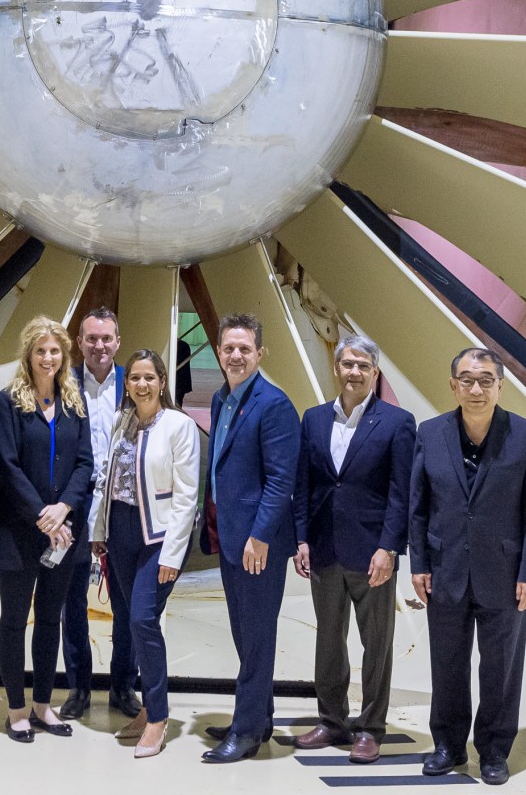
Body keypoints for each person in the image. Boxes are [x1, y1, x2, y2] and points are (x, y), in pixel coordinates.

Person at [409, 347, 526, 783]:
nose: (476, 388)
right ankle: (448, 745)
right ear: (453, 385)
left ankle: (493, 751)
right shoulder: (430, 434)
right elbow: (418, 507)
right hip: (444, 569)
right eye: (467, 379)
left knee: (501, 667)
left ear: (500, 386)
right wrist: (419, 563)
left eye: (486, 380)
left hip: (504, 576)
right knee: (447, 663)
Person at [291, 334, 417, 765]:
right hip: (324, 548)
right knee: (328, 640)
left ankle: (370, 727)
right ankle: (332, 720)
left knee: (376, 643)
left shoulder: (398, 423)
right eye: (348, 364)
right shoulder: (313, 420)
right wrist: (301, 538)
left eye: (363, 365)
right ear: (337, 368)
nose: (354, 372)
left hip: (372, 553)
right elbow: (304, 486)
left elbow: (402, 493)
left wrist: (390, 548)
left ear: (375, 372)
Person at [88, 349, 202, 759]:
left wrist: (173, 553)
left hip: (158, 538)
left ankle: (158, 717)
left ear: (162, 381)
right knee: (129, 622)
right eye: (134, 378)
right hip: (119, 533)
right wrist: (99, 532)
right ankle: (148, 705)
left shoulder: (179, 426)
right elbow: (107, 482)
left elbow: (188, 495)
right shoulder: (122, 421)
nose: (141, 385)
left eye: (149, 377)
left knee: (142, 618)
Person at [199, 314, 301, 765]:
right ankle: (258, 717)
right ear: (218, 352)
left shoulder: (273, 404)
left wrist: (260, 537)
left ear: (260, 353)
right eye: (228, 348)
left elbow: (281, 481)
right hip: (229, 535)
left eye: (244, 348)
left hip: (257, 543)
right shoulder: (223, 399)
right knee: (244, 633)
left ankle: (245, 733)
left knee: (257, 636)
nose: (236, 355)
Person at [0, 316, 95, 741]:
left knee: (51, 619)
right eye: (40, 351)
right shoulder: (7, 401)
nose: (48, 358)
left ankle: (43, 706)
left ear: (64, 355)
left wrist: (63, 508)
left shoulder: (75, 400)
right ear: (28, 355)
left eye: (55, 351)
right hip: (19, 529)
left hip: (64, 532)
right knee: (14, 620)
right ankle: (16, 710)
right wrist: (42, 515)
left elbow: (86, 462)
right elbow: (8, 466)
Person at [58, 308, 140, 721]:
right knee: (71, 599)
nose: (99, 346)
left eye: (107, 338)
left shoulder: (136, 382)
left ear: (118, 342)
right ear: (80, 342)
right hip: (74, 502)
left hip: (122, 505)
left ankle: (124, 685)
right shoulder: (62, 382)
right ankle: (78, 688)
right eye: (91, 338)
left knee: (126, 602)